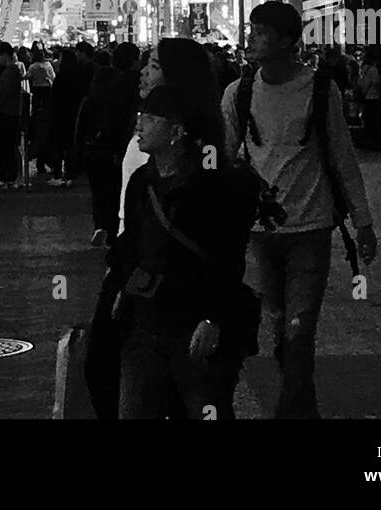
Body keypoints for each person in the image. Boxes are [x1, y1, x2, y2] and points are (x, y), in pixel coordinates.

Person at [222, 1, 376, 419]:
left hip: (311, 227)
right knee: (277, 328)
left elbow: (343, 159)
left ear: (287, 41)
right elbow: (223, 159)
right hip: (259, 232)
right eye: (250, 30)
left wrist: (363, 222)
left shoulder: (319, 91)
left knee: (299, 329)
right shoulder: (239, 94)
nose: (250, 39)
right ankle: (302, 411)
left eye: (260, 32)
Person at [109, 86, 260, 419]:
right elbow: (131, 243)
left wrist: (212, 318)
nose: (139, 126)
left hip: (193, 325)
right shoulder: (141, 181)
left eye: (149, 119)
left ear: (177, 131)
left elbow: (227, 258)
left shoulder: (211, 187)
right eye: (139, 117)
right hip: (147, 323)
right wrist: (125, 285)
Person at [118, 38, 225, 231]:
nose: (144, 73)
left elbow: (212, 179)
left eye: (154, 66)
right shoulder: (146, 123)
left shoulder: (206, 140)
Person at [74, 65, 123, 246]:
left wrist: (77, 154)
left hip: (92, 150)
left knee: (97, 192)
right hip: (112, 152)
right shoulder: (117, 101)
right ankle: (112, 229)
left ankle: (100, 226)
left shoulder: (89, 99)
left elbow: (79, 129)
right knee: (113, 191)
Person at [47, 48, 84, 185]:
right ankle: (70, 174)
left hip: (61, 115)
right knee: (70, 146)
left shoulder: (62, 76)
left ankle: (57, 173)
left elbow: (55, 97)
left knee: (58, 145)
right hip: (74, 114)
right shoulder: (78, 75)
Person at [0, 43, 24, 189]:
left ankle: (9, 176)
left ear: (5, 54)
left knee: (5, 146)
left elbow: (3, 93)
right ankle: (10, 175)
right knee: (8, 146)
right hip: (9, 113)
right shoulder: (11, 70)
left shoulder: (10, 71)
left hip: (6, 113)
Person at [26, 43, 55, 176]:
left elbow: (27, 76)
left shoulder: (33, 66)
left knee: (37, 117)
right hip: (47, 91)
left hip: (37, 92)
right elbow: (53, 77)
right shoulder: (48, 66)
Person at [356, 46, 381, 149]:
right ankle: (374, 141)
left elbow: (360, 82)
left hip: (365, 96)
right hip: (373, 97)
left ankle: (367, 140)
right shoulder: (373, 70)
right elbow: (377, 83)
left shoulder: (363, 68)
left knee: (367, 120)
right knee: (374, 120)